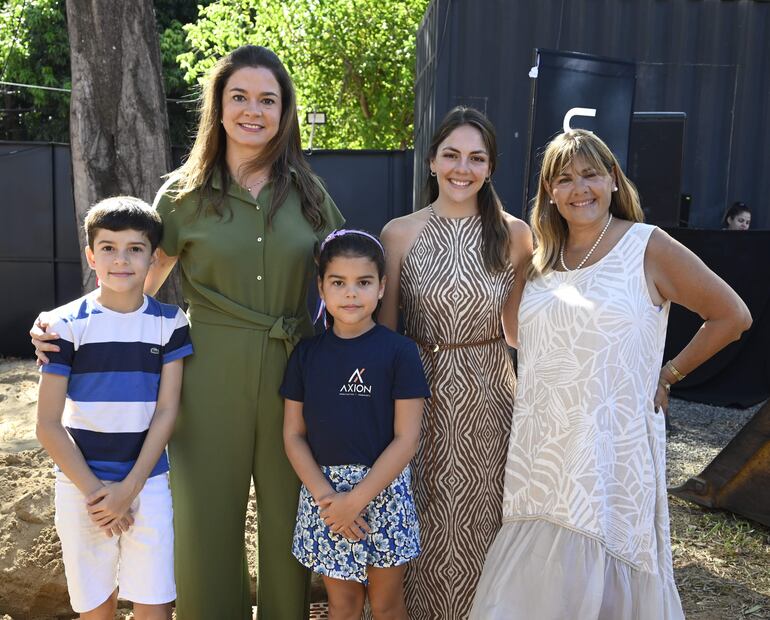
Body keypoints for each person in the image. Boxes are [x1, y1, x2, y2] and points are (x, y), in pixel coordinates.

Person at [33, 45, 344, 619]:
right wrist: (63, 322)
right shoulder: (180, 194)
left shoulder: (310, 193)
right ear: (218, 108)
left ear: (285, 111)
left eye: (268, 100)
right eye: (240, 97)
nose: (254, 110)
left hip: (294, 372)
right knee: (204, 520)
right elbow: (131, 285)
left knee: (286, 516)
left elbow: (345, 278)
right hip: (206, 375)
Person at [470, 129, 752, 620]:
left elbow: (732, 315)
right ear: (549, 193)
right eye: (564, 179)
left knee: (608, 562)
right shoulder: (540, 258)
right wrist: (517, 263)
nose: (579, 188)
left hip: (611, 447)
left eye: (590, 175)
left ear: (613, 181)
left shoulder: (647, 246)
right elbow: (515, 334)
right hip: (543, 447)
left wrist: (669, 373)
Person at [379, 106, 533, 619]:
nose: (461, 168)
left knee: (483, 516)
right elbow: (386, 333)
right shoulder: (399, 233)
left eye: (475, 157)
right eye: (451, 155)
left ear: (490, 168)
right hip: (416, 394)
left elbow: (516, 331)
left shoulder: (516, 235)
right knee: (416, 511)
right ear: (431, 162)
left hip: (489, 395)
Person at [36, 197, 192, 620]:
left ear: (153, 257)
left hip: (148, 484)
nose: (121, 259)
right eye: (108, 248)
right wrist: (97, 494)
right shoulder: (64, 325)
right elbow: (48, 425)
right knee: (96, 606)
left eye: (134, 249)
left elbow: (166, 412)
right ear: (90, 254)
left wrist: (129, 490)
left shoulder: (171, 323)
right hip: (80, 488)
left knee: (154, 604)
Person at [281, 229, 430, 619]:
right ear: (321, 287)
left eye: (363, 283)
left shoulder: (399, 352)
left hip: (384, 493)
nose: (351, 293)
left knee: (386, 604)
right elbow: (293, 435)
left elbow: (407, 437)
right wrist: (330, 502)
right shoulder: (306, 354)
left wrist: (357, 499)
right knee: (342, 605)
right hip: (325, 496)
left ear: (382, 287)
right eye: (338, 283)